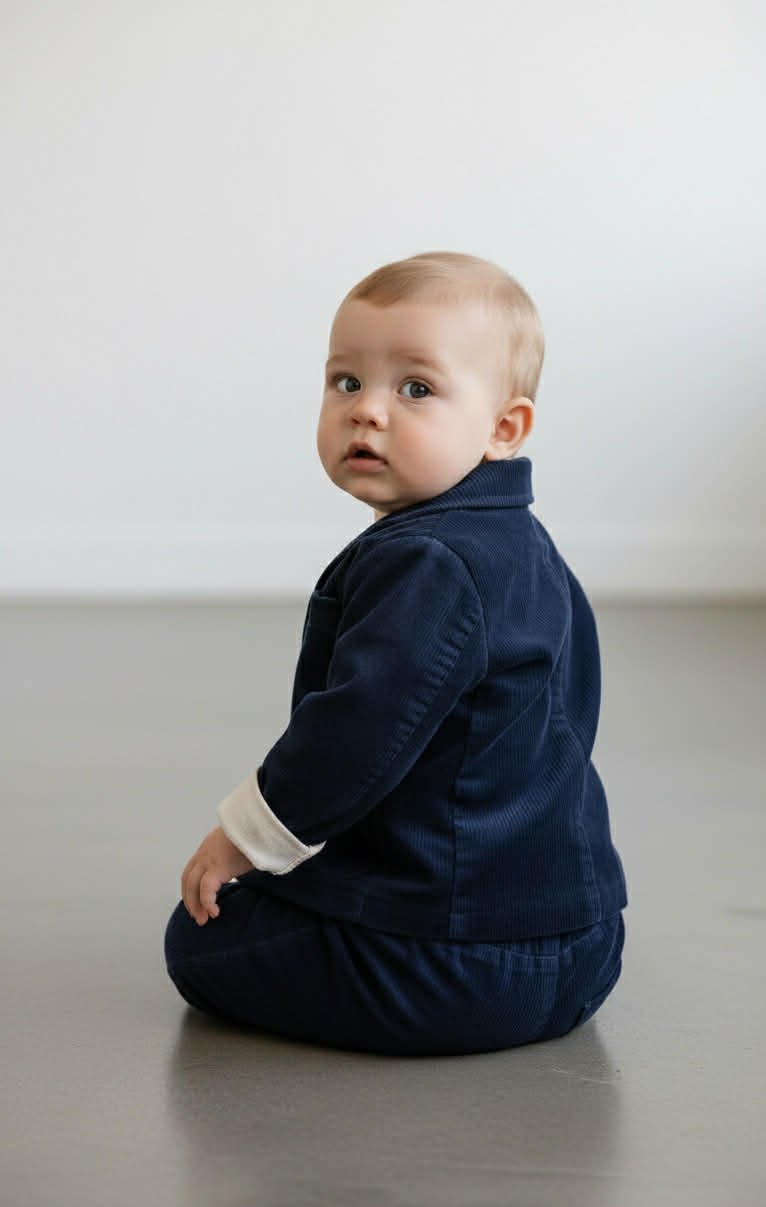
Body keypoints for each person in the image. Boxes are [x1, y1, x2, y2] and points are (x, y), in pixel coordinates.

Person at [164, 251, 627, 1056]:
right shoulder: (527, 549)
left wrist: (245, 839)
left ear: (504, 428)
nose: (367, 412)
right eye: (346, 382)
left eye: (415, 388)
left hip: (453, 962)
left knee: (199, 941)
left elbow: (354, 736)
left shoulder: (427, 562)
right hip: (585, 944)